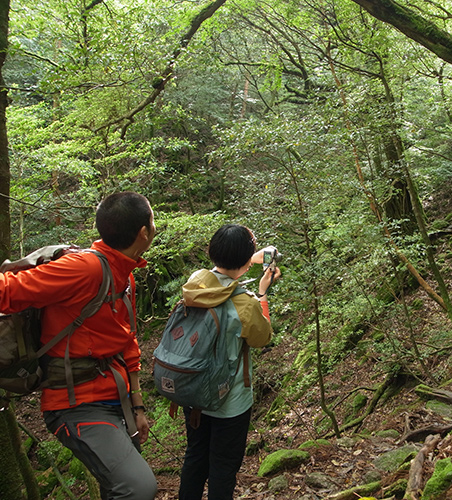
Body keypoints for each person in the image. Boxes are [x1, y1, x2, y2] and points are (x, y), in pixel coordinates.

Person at [0, 192, 158, 500]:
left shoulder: (124, 275)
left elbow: (127, 341)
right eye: (153, 221)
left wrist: (137, 405)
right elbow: (7, 291)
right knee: (138, 488)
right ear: (143, 232)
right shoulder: (85, 268)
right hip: (75, 404)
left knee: (119, 488)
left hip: (116, 399)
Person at [178, 224, 280, 500]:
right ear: (244, 261)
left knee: (195, 458)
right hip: (230, 402)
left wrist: (249, 258)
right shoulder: (244, 304)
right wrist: (262, 293)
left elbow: (220, 275)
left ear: (212, 251)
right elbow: (262, 337)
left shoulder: (195, 283)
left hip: (194, 393)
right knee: (223, 469)